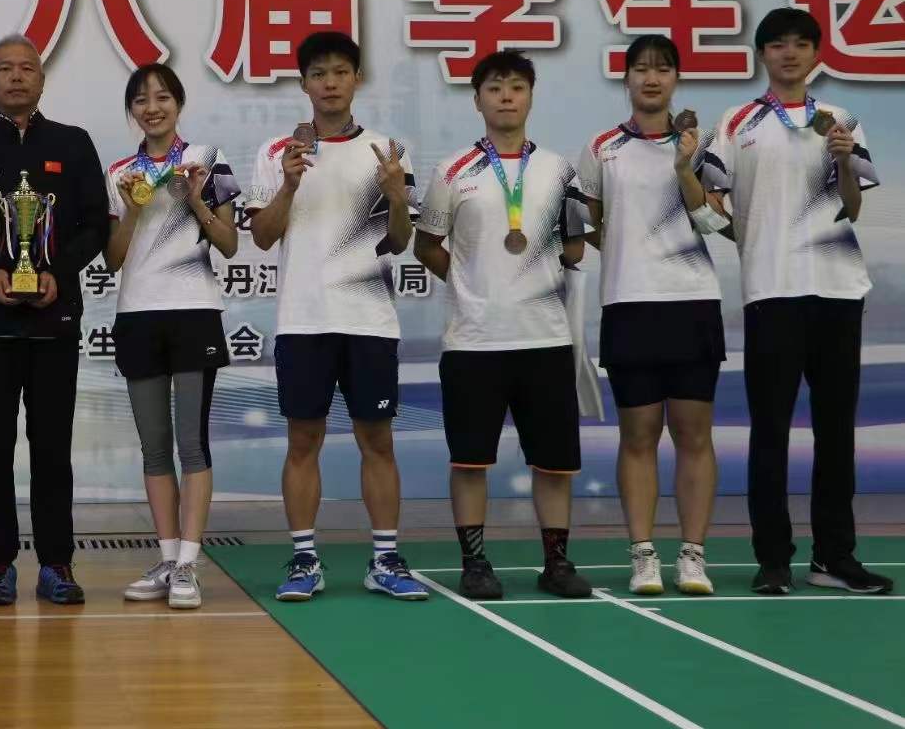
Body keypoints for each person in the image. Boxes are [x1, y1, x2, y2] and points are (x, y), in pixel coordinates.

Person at [712, 7, 891, 596]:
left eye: (800, 44)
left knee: (836, 432)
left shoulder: (842, 120)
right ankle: (773, 560)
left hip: (838, 289)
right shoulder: (737, 122)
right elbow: (710, 200)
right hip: (772, 292)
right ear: (762, 54)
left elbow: (853, 207)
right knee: (770, 431)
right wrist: (751, 238)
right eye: (777, 44)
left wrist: (841, 158)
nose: (789, 53)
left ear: (816, 54)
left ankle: (834, 557)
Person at [246, 31, 428, 604]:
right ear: (304, 84)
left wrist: (396, 195)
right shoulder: (277, 153)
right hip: (303, 320)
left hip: (369, 319)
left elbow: (399, 241)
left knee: (379, 440)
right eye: (319, 73)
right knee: (303, 440)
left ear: (356, 80)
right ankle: (305, 559)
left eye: (340, 72)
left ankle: (385, 559)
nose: (330, 83)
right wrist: (289, 185)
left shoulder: (388, 151)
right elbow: (262, 235)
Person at [0, 35, 107, 606]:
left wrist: (57, 270)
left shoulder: (73, 144)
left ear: (42, 80)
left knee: (53, 448)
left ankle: (57, 563)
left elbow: (94, 224)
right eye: (3, 68)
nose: (15, 77)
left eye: (26, 68)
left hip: (54, 320)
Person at [414, 50, 592, 601]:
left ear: (531, 96)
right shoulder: (452, 170)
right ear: (477, 100)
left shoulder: (560, 171)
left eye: (517, 86)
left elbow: (575, 248)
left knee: (554, 463)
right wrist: (470, 283)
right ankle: (475, 563)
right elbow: (427, 245)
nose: (506, 96)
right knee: (470, 461)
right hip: (474, 340)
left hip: (546, 336)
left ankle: (556, 563)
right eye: (495, 88)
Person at [577, 35, 729, 596]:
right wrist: (632, 254)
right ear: (626, 79)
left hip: (692, 302)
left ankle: (693, 556)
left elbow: (718, 224)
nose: (651, 78)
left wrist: (685, 168)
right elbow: (589, 225)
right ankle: (643, 555)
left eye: (662, 69)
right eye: (641, 69)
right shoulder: (601, 148)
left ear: (676, 79)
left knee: (693, 435)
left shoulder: (702, 143)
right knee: (638, 435)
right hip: (629, 305)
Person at [105, 63, 239, 611]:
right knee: (155, 445)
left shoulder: (208, 159)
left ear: (178, 103)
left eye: (162, 97)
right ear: (132, 111)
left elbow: (229, 243)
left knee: (191, 443)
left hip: (193, 313)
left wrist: (197, 200)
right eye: (141, 100)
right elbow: (113, 258)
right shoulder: (120, 172)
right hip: (138, 314)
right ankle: (165, 558)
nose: (152, 107)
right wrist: (132, 211)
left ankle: (189, 562)